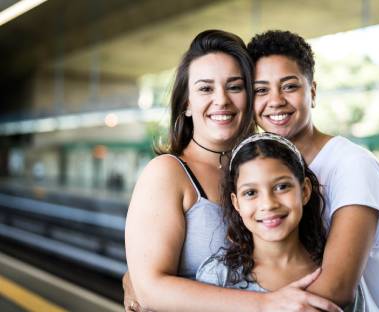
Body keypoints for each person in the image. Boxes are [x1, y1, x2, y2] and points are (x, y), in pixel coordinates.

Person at [124, 29, 342, 312]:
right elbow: (149, 289)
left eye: (235, 86)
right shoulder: (167, 172)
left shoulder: (262, 168)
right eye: (205, 88)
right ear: (186, 103)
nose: (222, 100)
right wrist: (265, 304)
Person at [247, 30, 379, 311]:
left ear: (313, 92)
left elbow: (337, 289)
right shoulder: (255, 170)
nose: (275, 100)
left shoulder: (353, 166)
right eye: (261, 90)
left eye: (289, 86)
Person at [197, 133, 365, 312]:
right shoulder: (219, 275)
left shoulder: (335, 274)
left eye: (281, 187)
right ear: (236, 202)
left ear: (305, 191)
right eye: (251, 193)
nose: (268, 204)